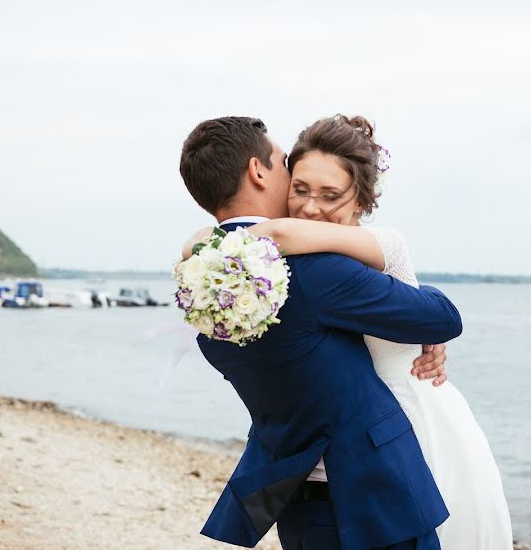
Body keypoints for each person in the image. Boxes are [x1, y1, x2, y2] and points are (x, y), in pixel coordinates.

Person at [178, 116, 462, 549]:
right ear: (258, 171)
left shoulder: (199, 284)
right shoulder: (312, 269)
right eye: (284, 164)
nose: (292, 177)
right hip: (379, 497)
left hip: (297, 502)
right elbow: (443, 317)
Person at [242, 115, 514, 549]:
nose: (311, 207)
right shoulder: (291, 260)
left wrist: (219, 242)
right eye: (301, 189)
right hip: (347, 443)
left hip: (412, 424)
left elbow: (280, 230)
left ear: (361, 202)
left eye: (330, 195)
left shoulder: (382, 244)